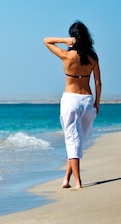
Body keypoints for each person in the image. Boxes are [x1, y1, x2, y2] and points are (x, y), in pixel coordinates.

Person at [43, 21, 102, 189]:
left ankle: (78, 182)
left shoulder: (66, 55)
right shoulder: (93, 57)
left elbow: (46, 40)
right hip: (87, 100)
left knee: (72, 140)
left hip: (71, 99)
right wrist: (97, 102)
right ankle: (66, 179)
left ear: (73, 38)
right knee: (78, 140)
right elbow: (98, 82)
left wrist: (64, 40)